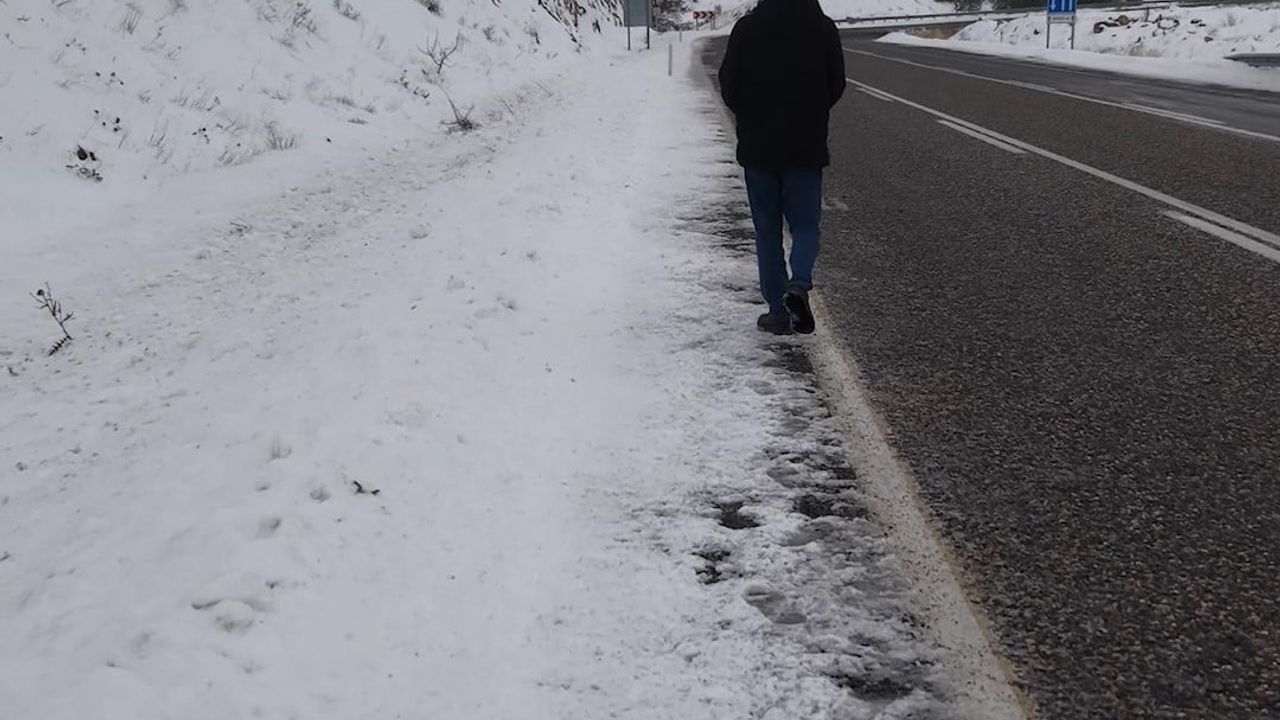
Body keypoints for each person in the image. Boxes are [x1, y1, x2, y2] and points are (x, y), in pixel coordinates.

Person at [717, 0, 845, 335]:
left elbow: (729, 84)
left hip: (759, 147)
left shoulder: (747, 29)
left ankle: (777, 312)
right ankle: (798, 284)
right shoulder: (822, 28)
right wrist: (812, 110)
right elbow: (837, 84)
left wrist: (750, 113)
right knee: (805, 226)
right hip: (805, 145)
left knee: (767, 230)